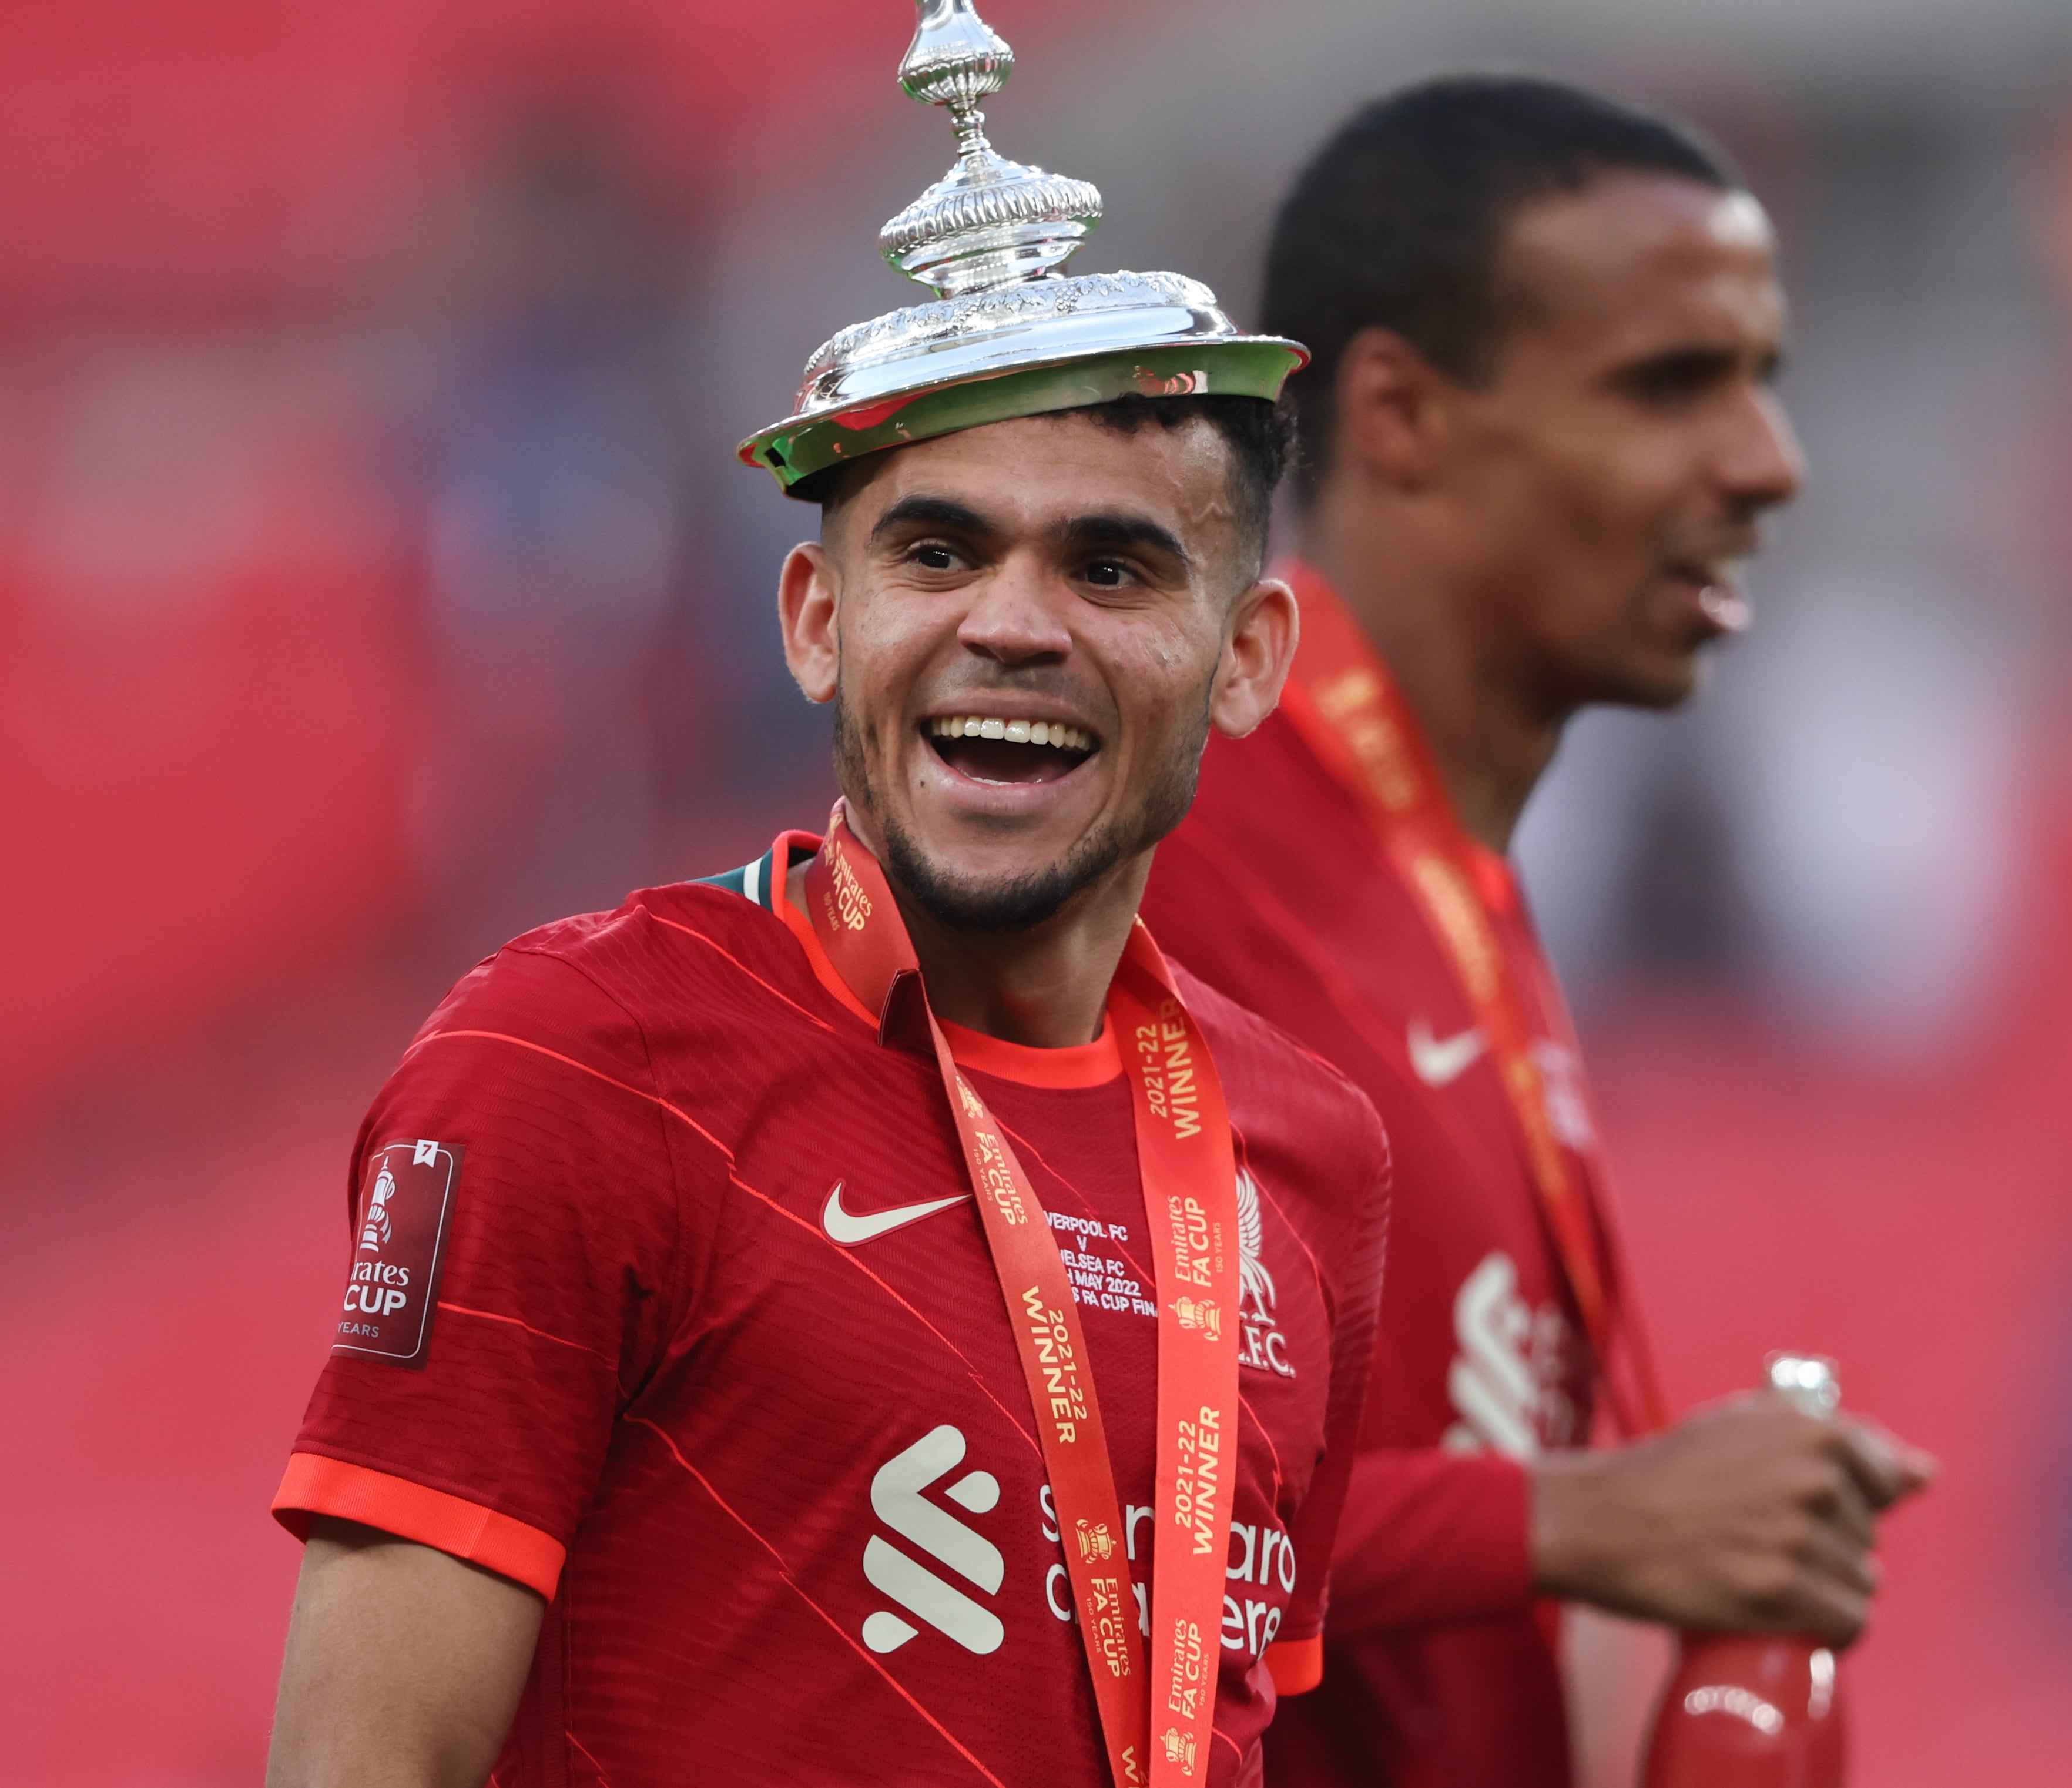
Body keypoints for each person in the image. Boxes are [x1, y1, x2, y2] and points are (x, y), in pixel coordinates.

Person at [263, 14, 1387, 1786]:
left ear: (1247, 658)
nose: (1011, 622)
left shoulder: (1312, 1157)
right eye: (935, 550)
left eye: (1111, 562)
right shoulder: (573, 1062)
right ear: (812, 624)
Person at [1138, 76, 1936, 1788]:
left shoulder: (1459, 888)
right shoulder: (1169, 845)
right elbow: (1020, 1477)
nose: (1762, 465)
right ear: (1403, 414)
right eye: (1668, 386)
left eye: (1758, 387)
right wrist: (1578, 1519)